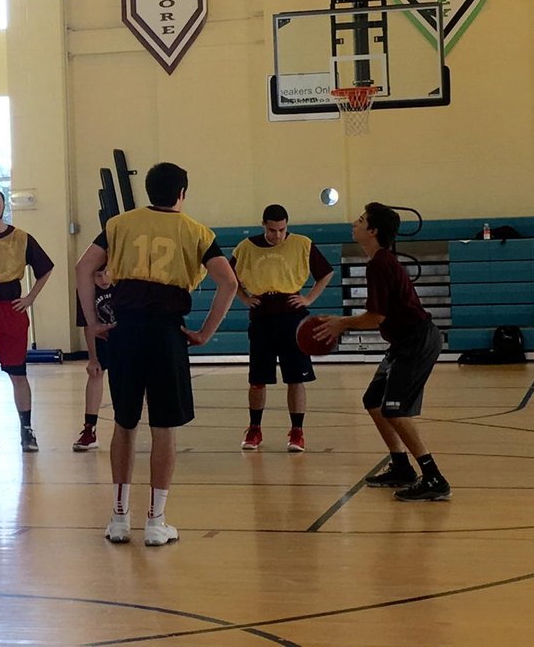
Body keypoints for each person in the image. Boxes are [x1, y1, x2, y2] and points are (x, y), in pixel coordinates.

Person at [76, 162, 238, 546]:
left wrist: (93, 322)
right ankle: (156, 521)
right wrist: (204, 333)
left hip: (126, 331)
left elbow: (84, 267)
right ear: (182, 193)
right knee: (164, 427)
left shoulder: (119, 224)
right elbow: (229, 282)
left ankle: (119, 518)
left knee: (124, 424)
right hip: (167, 333)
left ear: (149, 190)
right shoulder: (196, 231)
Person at [314, 203, 451, 502]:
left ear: (373, 230)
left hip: (417, 340)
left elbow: (376, 317)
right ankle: (401, 467)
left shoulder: (380, 264)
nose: (354, 223)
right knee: (373, 400)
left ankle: (434, 478)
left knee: (395, 409)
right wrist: (342, 323)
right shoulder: (379, 261)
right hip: (404, 342)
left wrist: (341, 323)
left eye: (361, 220)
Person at [232, 204, 334, 453]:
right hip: (262, 316)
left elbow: (326, 273)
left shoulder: (302, 244)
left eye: (282, 230)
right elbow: (228, 276)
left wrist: (308, 298)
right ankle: (254, 428)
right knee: (257, 379)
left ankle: (297, 431)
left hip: (292, 316)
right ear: (263, 226)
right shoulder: (246, 247)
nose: (277, 235)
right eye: (272, 230)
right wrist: (244, 298)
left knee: (296, 378)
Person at [0, 188, 55, 454]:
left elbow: (46, 268)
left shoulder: (21, 238)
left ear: (3, 205)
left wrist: (30, 297)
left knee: (17, 372)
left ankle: (27, 431)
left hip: (11, 310)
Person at [73, 265, 115, 451]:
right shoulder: (85, 289)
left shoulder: (123, 285)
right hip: (101, 338)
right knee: (95, 375)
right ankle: (89, 429)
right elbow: (87, 326)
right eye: (98, 276)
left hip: (125, 337)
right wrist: (93, 358)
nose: (103, 280)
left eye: (106, 274)